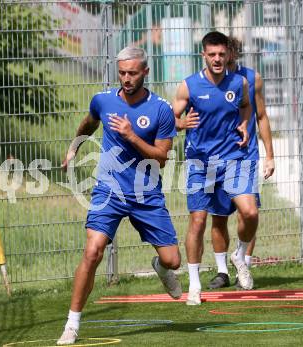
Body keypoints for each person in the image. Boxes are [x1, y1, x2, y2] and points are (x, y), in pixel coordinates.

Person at [57, 46, 182, 345]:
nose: (126, 78)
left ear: (145, 72)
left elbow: (162, 158)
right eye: (122, 73)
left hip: (146, 194)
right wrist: (75, 146)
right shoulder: (103, 100)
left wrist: (131, 135)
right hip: (108, 190)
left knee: (173, 260)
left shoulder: (161, 110)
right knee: (92, 251)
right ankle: (72, 324)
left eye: (133, 73)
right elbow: (90, 122)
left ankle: (161, 268)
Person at [172, 31, 253, 306]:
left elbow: (245, 106)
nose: (217, 59)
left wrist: (243, 123)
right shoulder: (189, 86)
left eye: (222, 54)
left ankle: (240, 256)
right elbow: (170, 119)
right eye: (212, 54)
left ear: (228, 55)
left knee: (250, 212)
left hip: (233, 160)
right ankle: (194, 285)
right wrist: (182, 124)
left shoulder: (239, 83)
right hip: (200, 163)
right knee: (198, 221)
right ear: (203, 55)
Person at [207, 37, 275, 290]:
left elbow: (262, 116)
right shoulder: (206, 80)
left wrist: (270, 155)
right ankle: (222, 272)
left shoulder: (251, 79)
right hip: (215, 155)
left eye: (230, 51)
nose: (225, 56)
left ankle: (243, 266)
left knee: (249, 213)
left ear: (234, 53)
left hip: (244, 155)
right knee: (218, 216)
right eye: (222, 51)